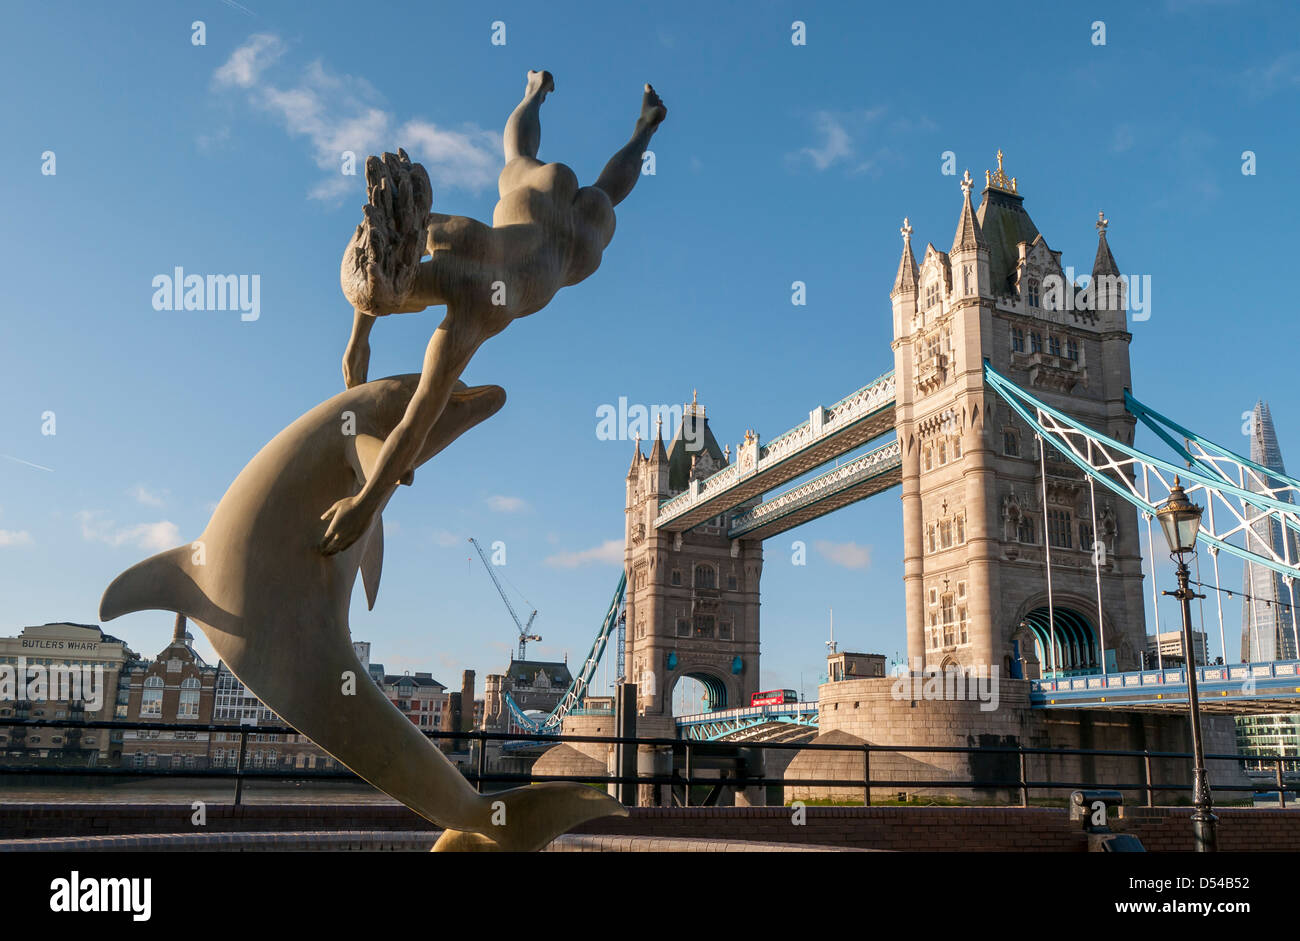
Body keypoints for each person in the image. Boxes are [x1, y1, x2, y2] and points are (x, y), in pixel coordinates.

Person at [320, 70, 667, 555]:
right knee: (517, 159)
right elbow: (386, 244)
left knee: (607, 192)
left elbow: (418, 418)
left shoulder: (475, 311)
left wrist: (366, 503)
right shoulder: (450, 233)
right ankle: (538, 93)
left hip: (578, 248)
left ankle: (646, 127)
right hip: (539, 199)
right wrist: (359, 337)